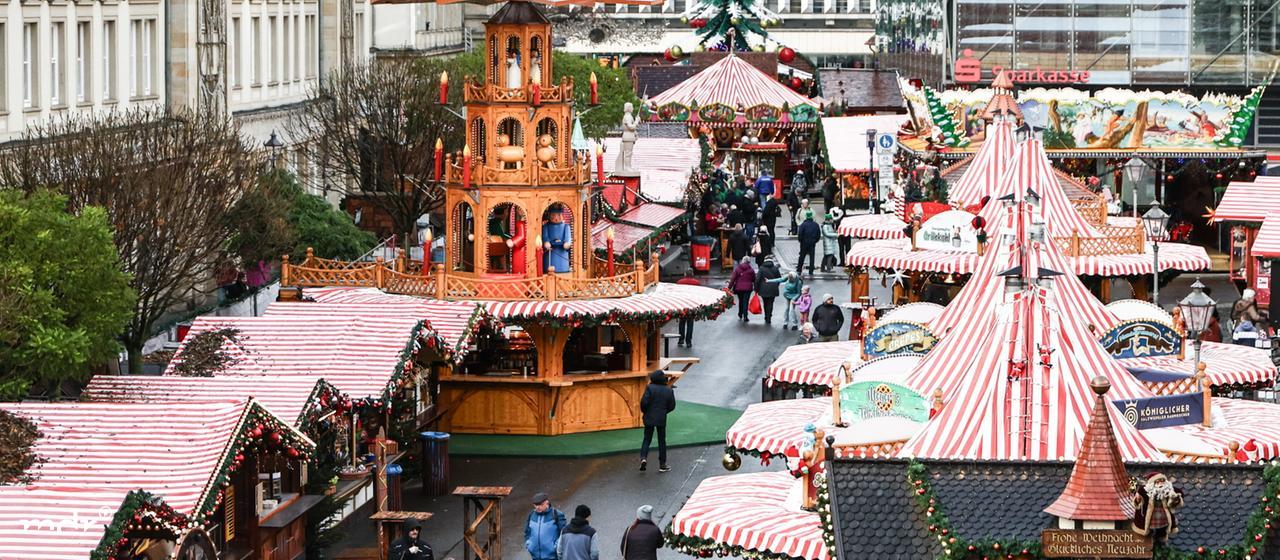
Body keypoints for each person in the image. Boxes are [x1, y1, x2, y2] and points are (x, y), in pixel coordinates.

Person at [639, 370, 676, 472]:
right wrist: (664, 411)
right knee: (662, 441)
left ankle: (643, 458)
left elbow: (644, 403)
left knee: (647, 438)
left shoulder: (650, 388)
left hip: (649, 417)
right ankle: (662, 464)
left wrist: (645, 412)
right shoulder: (668, 390)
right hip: (661, 417)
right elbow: (672, 406)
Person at [526, 493, 567, 560]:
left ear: (547, 503)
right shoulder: (531, 515)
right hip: (535, 557)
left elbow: (564, 534)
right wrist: (529, 545)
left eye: (540, 505)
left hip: (552, 557)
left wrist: (555, 547)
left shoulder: (556, 514)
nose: (537, 507)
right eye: (535, 505)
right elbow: (527, 531)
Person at [754, 257, 783, 325]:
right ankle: (769, 316)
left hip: (763, 289)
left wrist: (756, 289)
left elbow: (757, 279)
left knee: (765, 303)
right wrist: (776, 285)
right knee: (771, 303)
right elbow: (779, 279)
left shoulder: (761, 268)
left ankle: (766, 316)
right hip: (773, 289)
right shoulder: (775, 268)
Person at [675, 271, 701, 347]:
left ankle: (681, 340)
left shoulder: (679, 282)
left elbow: (676, 294)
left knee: (682, 323)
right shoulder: (696, 282)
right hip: (692, 305)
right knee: (690, 324)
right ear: (692, 274)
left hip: (682, 305)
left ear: (685, 274)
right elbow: (699, 294)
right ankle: (688, 341)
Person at [728, 257, 757, 322]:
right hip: (748, 289)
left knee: (741, 301)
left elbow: (733, 279)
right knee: (745, 302)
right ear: (749, 262)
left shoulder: (738, 269)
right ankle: (745, 316)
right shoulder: (751, 270)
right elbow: (754, 279)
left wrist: (729, 287)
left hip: (739, 288)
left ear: (743, 261)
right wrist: (756, 288)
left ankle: (740, 314)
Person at [797, 212, 821, 276]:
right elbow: (818, 235)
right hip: (812, 242)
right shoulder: (816, 225)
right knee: (812, 257)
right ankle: (811, 270)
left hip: (804, 243)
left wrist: (800, 241)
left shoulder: (803, 225)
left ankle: (799, 269)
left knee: (802, 256)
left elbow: (800, 234)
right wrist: (815, 241)